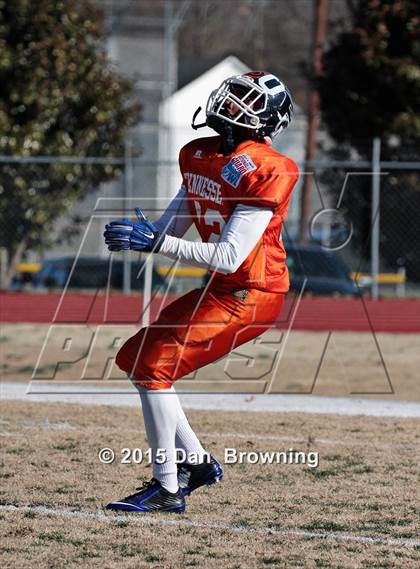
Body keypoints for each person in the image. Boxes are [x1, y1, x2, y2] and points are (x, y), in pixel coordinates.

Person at [103, 71, 299, 514]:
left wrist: (158, 243)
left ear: (267, 119)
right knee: (135, 358)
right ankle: (196, 464)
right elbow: (173, 227)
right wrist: (143, 233)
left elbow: (229, 256)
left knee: (154, 366)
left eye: (245, 101)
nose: (231, 104)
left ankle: (168, 487)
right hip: (223, 288)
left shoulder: (270, 167)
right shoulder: (198, 153)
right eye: (232, 95)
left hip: (252, 292)